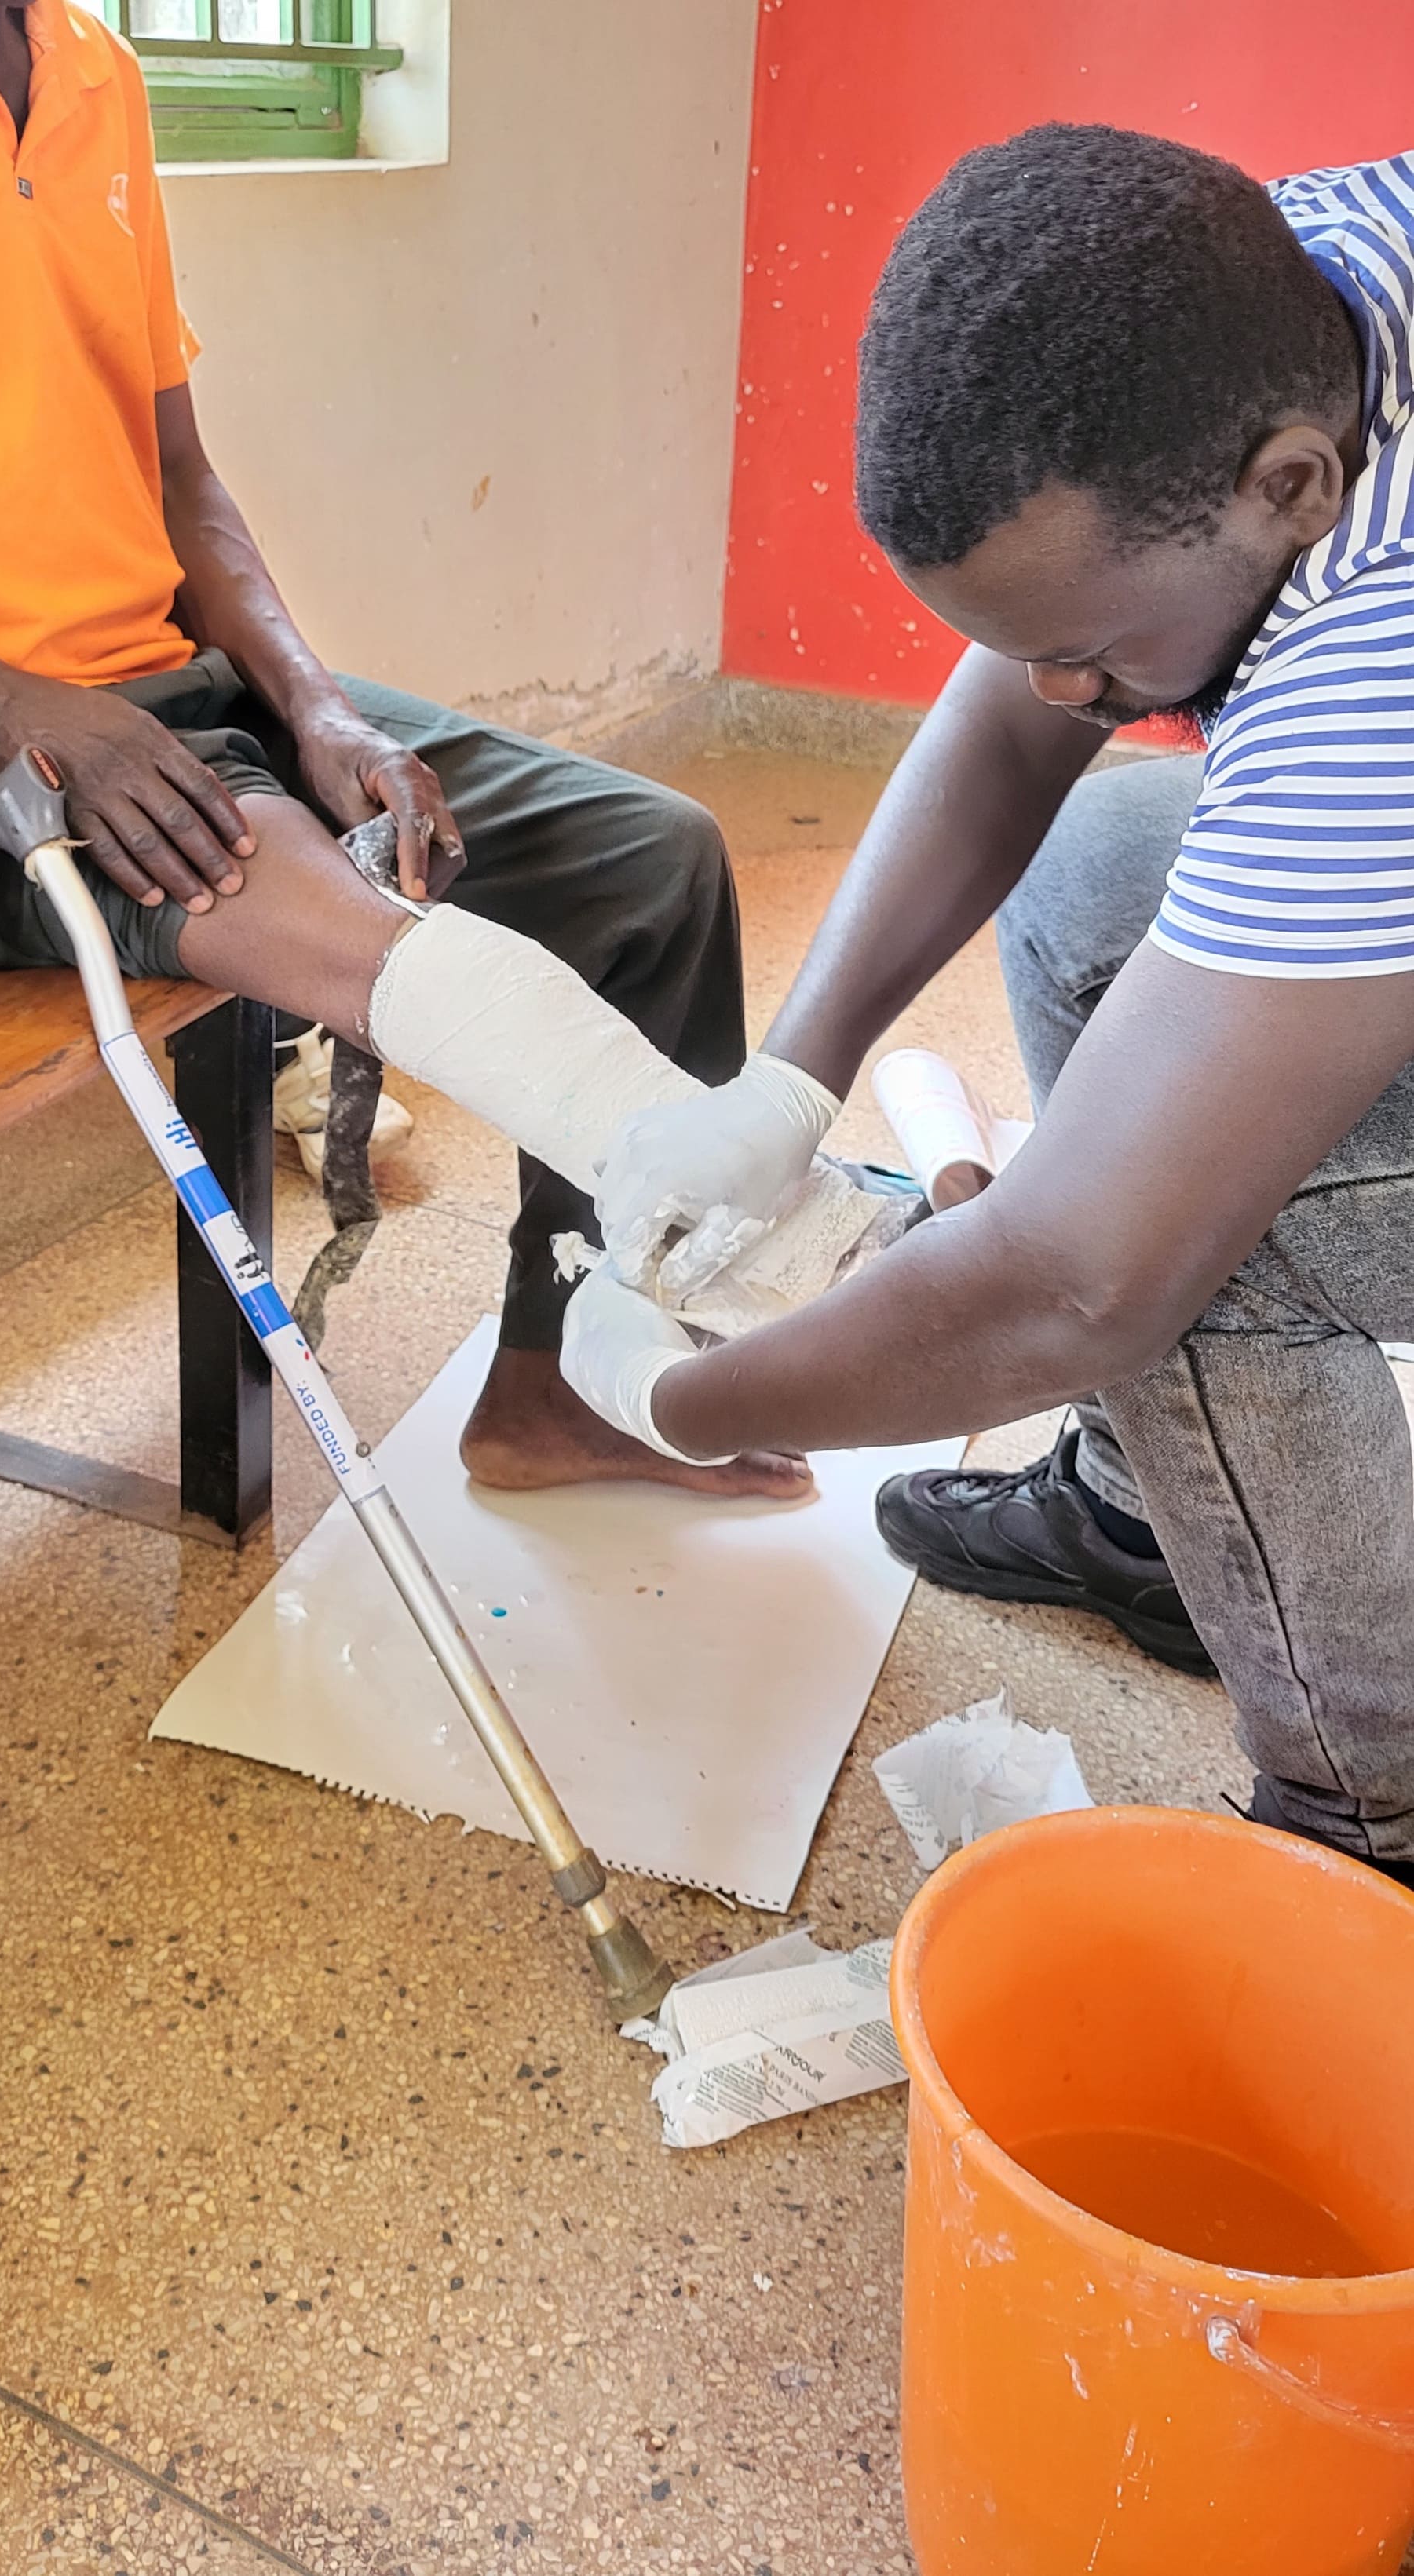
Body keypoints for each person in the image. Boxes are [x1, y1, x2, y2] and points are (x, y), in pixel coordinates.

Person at [0, 0, 804, 1502]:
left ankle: (559, 1384)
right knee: (363, 934)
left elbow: (178, 471)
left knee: (649, 856)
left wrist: (319, 708)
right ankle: (823, 1234)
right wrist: (13, 707)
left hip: (154, 693)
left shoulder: (93, 67)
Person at [562, 126, 1414, 1886]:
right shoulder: (1298, 279)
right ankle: (1145, 1515)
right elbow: (1027, 710)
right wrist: (789, 1082)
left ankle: (1374, 1810)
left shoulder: (1372, 669)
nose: (1057, 685)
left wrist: (676, 1401)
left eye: (1093, 643)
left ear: (1292, 486)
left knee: (1195, 1237)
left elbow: (1080, 1274)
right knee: (1103, 853)